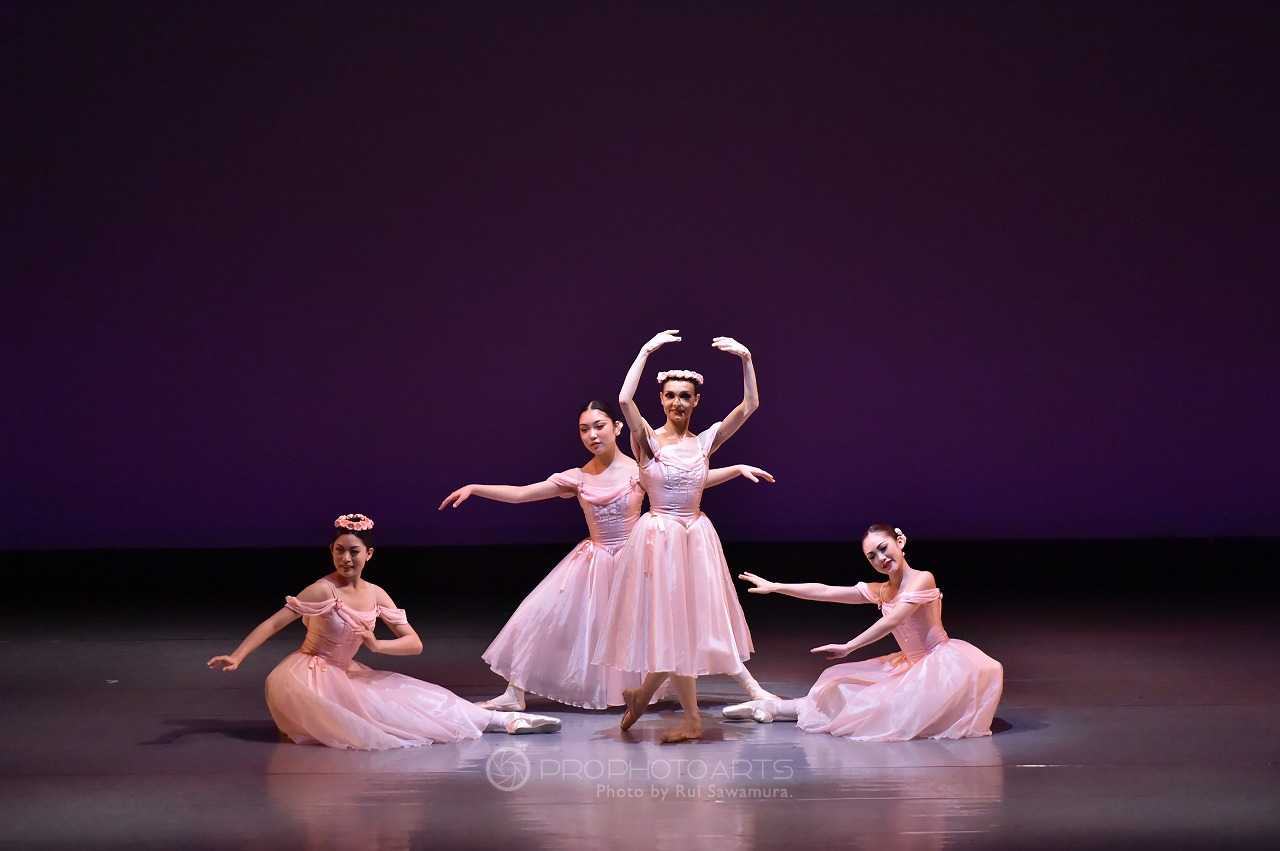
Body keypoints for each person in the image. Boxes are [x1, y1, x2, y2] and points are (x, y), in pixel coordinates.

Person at [439, 400, 778, 710]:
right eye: (584, 429)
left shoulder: (639, 469)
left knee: (684, 622)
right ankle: (515, 693)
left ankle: (750, 686)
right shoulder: (577, 477)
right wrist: (475, 488)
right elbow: (522, 494)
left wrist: (735, 469)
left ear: (617, 428)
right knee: (543, 617)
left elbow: (689, 481)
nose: (592, 435)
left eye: (599, 426)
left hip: (639, 562)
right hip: (595, 561)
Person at [206, 513, 562, 749]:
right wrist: (238, 656)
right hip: (309, 677)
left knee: (422, 701)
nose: (346, 559)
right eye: (339, 551)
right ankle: (497, 720)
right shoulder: (321, 590)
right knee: (378, 721)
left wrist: (377, 646)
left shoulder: (376, 594)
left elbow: (414, 643)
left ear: (369, 554)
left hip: (348, 673)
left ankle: (504, 719)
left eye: (354, 552)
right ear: (331, 551)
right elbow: (274, 622)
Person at [593, 330, 767, 742]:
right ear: (661, 399)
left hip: (695, 538)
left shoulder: (705, 441)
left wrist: (746, 359)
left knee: (685, 628)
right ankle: (689, 718)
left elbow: (750, 406)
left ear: (696, 401)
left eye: (685, 396)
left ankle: (645, 697)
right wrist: (645, 351)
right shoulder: (647, 440)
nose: (677, 403)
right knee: (673, 628)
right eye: (670, 396)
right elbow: (624, 400)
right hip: (659, 541)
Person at [725, 523, 1003, 741]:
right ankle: (772, 708)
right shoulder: (882, 589)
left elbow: (893, 621)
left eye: (883, 548)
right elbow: (826, 591)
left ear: (900, 541)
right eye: (872, 556)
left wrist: (849, 646)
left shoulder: (922, 578)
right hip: (908, 666)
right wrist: (777, 586)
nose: (881, 558)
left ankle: (774, 708)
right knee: (841, 687)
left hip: (940, 667)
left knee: (877, 709)